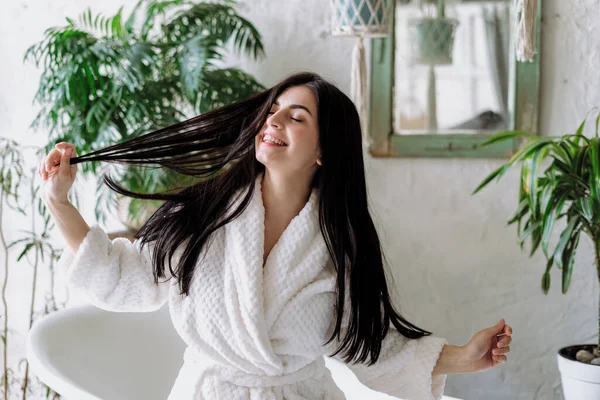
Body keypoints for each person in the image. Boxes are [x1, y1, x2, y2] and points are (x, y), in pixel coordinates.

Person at [38, 72, 512, 400]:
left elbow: (372, 346)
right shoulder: (203, 216)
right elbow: (123, 278)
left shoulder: (336, 247)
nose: (274, 121)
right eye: (274, 110)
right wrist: (60, 202)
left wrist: (463, 359)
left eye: (297, 117)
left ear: (325, 150)